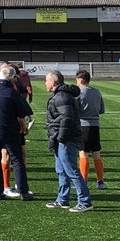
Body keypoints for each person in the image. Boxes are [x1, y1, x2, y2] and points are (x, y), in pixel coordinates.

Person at [0, 65, 35, 201]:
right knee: (17, 160)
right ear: (12, 78)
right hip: (9, 131)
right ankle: (23, 192)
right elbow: (24, 112)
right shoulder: (12, 93)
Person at [44, 69, 91, 212]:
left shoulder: (61, 96)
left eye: (46, 80)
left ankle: (85, 202)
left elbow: (67, 119)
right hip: (61, 138)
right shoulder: (59, 95)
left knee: (71, 170)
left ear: (53, 82)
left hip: (67, 139)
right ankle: (62, 199)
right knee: (61, 171)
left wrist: (62, 139)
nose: (45, 83)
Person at [75, 69, 106, 189]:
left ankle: (83, 181)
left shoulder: (78, 93)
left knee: (83, 154)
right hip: (95, 125)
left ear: (80, 80)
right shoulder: (97, 92)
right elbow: (101, 110)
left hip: (83, 126)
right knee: (96, 153)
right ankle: (100, 181)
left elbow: (75, 110)